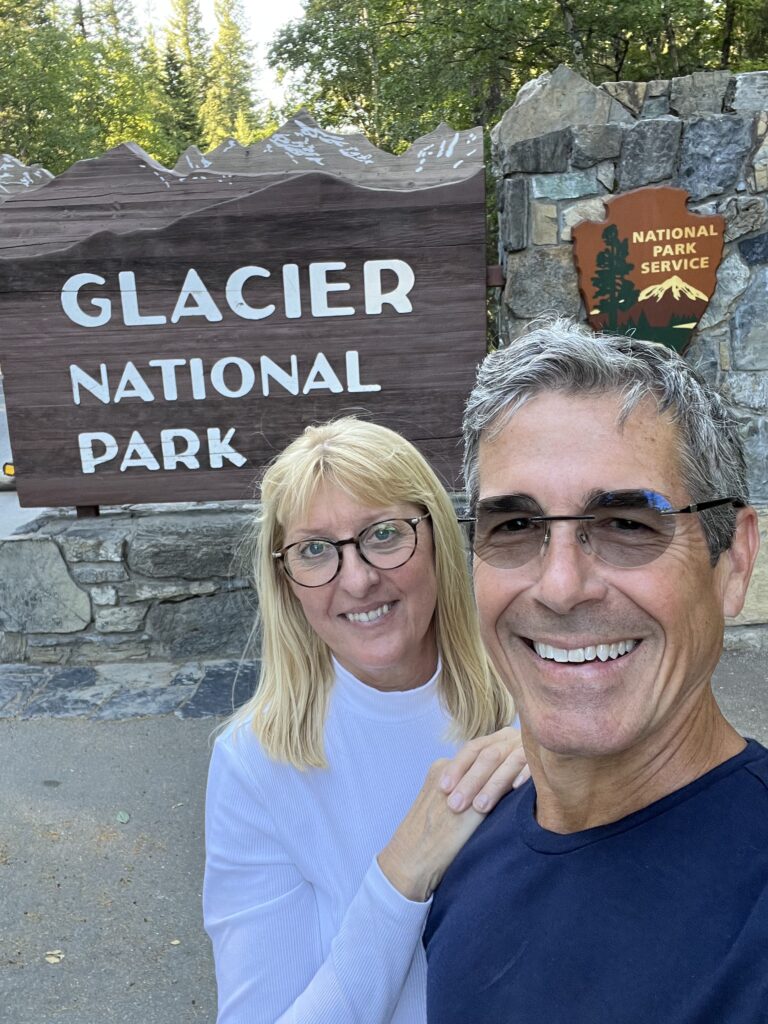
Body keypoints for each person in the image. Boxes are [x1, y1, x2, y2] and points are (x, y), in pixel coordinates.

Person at [424, 318, 768, 1022]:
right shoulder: (464, 845)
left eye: (627, 524)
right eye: (515, 527)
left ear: (732, 561)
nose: (559, 585)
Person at [203, 417, 525, 1024]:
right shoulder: (256, 764)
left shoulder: (532, 694)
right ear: (285, 580)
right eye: (315, 550)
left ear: (436, 539)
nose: (357, 579)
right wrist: (403, 871)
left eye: (383, 534)